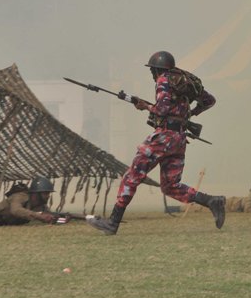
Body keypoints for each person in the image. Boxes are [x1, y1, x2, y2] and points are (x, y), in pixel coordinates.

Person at [87, 51, 225, 235]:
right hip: (179, 139)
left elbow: (162, 109)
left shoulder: (164, 80)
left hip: (163, 137)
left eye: (152, 70)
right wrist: (191, 113)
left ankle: (113, 222)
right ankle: (211, 201)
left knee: (132, 176)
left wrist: (144, 106)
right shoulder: (183, 80)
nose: (152, 74)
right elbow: (209, 100)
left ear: (157, 69)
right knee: (170, 186)